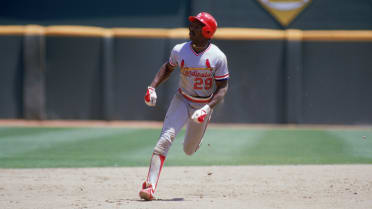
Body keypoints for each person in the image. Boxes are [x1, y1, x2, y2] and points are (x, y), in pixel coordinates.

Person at [139, 12, 230, 201]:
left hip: (202, 105)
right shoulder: (180, 49)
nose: (192, 28)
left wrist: (208, 108)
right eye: (193, 24)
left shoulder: (217, 56)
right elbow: (168, 68)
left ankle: (194, 141)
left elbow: (222, 88)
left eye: (197, 25)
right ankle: (150, 186)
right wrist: (152, 86)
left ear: (207, 31)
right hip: (182, 99)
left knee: (188, 150)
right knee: (165, 138)